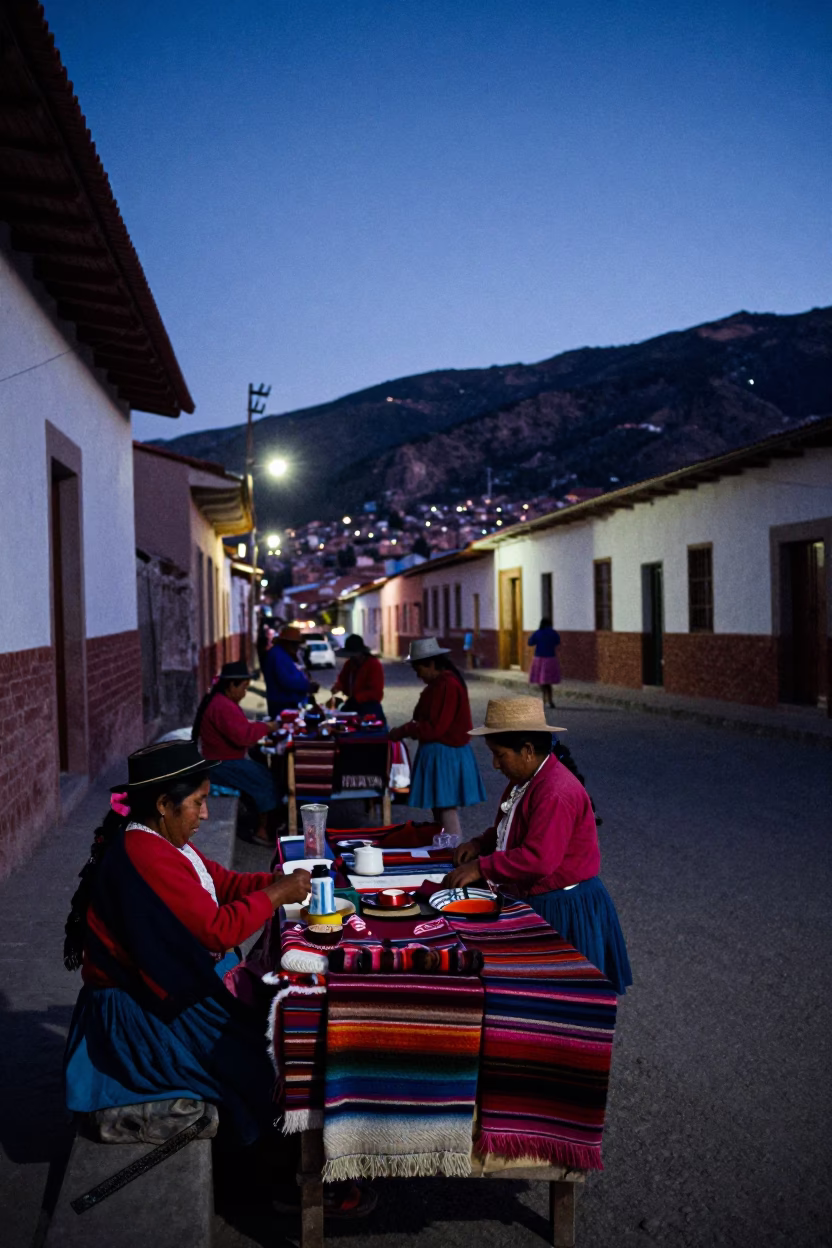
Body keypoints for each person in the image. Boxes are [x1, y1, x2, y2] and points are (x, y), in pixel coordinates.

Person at [62, 740, 312, 1146]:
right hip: (136, 1011)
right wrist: (278, 895)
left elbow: (223, 883)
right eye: (198, 802)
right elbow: (217, 929)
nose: (206, 813)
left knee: (267, 1035)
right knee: (257, 1065)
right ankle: (276, 1176)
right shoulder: (145, 854)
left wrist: (279, 881)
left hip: (159, 988)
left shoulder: (162, 841)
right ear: (164, 804)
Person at [443, 696, 632, 994]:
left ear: (528, 751)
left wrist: (482, 867)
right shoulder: (527, 779)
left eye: (499, 755)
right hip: (545, 901)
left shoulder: (554, 791)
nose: (494, 764)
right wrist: (481, 844)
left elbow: (539, 859)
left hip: (564, 908)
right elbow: (512, 827)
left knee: (565, 999)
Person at [388, 637, 485, 843]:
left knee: (446, 807)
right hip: (443, 753)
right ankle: (446, 847)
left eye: (419, 668)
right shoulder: (442, 684)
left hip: (445, 753)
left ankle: (453, 851)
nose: (418, 674)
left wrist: (405, 730)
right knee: (441, 807)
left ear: (431, 664)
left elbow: (436, 728)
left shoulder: (446, 685)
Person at [193, 659, 279, 847]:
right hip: (221, 764)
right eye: (243, 688)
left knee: (262, 771)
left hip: (225, 760)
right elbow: (243, 736)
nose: (244, 693)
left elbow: (243, 729)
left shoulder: (223, 702)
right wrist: (267, 727)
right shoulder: (221, 705)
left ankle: (261, 823)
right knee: (264, 780)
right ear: (231, 685)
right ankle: (261, 832)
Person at [263, 626, 319, 717]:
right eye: (295, 644)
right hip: (283, 704)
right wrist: (308, 686)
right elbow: (286, 681)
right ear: (287, 643)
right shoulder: (278, 655)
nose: (297, 648)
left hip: (289, 702)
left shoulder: (285, 654)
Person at [330, 633, 385, 719]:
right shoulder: (349, 664)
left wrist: (357, 698)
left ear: (361, 653)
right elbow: (343, 679)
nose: (352, 657)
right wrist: (337, 687)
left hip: (370, 706)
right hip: (353, 704)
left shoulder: (373, 664)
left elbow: (375, 692)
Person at [527, 616, 562, 709]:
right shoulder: (553, 633)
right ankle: (550, 699)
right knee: (548, 681)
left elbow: (530, 642)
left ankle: (544, 697)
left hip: (539, 658)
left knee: (540, 680)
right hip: (550, 658)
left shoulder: (538, 633)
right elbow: (557, 642)